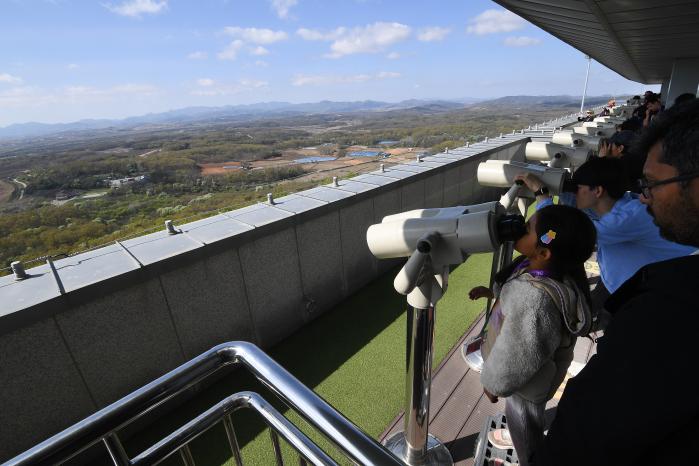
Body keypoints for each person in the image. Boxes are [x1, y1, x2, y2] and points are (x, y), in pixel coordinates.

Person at [537, 97, 699, 466]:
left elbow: (555, 236)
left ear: (596, 192)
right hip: (623, 286)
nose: (646, 196)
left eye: (654, 184)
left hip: (634, 295)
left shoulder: (624, 221)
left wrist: (544, 199)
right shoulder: (614, 213)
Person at [470, 205, 596, 466]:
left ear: (544, 251)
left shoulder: (534, 300)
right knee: (523, 418)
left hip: (528, 386)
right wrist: (492, 293)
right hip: (530, 375)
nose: (519, 228)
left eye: (527, 228)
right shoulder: (545, 269)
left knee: (526, 426)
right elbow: (514, 295)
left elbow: (515, 354)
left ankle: (531, 457)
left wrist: (493, 383)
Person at [518, 157, 695, 323]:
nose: (575, 192)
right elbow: (573, 217)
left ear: (598, 190)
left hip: (654, 295)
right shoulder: (619, 206)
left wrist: (541, 193)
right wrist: (564, 189)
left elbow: (557, 233)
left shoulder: (626, 219)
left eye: (577, 188)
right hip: (632, 284)